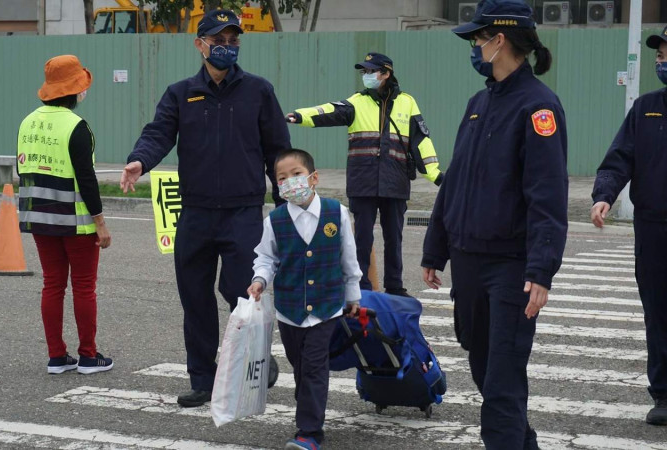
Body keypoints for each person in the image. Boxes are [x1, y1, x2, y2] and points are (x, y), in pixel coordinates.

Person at [120, 9, 290, 407]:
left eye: (234, 40)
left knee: (242, 293)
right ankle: (202, 378)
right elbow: (158, 132)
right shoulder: (181, 93)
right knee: (194, 297)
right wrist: (140, 161)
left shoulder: (258, 91)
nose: (227, 47)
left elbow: (277, 151)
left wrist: (287, 206)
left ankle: (256, 362)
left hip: (243, 213)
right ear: (200, 45)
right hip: (195, 213)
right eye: (219, 40)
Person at [420, 1, 568, 448]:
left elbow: (547, 194)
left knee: (502, 379)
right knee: (485, 369)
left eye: (477, 39)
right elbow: (456, 180)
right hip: (468, 261)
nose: (474, 47)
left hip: (509, 266)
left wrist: (540, 270)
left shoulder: (539, 106)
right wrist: (434, 249)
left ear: (498, 40)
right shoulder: (479, 102)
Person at [285, 53, 442, 297]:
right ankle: (360, 287)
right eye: (364, 72)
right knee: (361, 241)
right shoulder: (356, 102)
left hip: (395, 183)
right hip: (363, 182)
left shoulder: (407, 103)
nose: (366, 76)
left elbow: (421, 141)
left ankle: (395, 287)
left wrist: (436, 175)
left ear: (386, 73)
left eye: (371, 71)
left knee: (394, 240)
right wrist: (299, 115)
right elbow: (328, 110)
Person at [248, 148, 361, 450]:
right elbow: (266, 258)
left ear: (313, 177)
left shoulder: (336, 212)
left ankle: (310, 432)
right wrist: (260, 280)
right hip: (289, 310)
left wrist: (353, 296)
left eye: (295, 174)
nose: (289, 182)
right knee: (299, 366)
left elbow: (348, 257)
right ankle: (309, 408)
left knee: (314, 366)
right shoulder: (275, 220)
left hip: (326, 308)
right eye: (281, 178)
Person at [17, 54, 113, 375]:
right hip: (76, 222)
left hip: (40, 219)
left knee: (52, 285)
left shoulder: (27, 122)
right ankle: (88, 355)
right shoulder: (77, 127)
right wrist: (100, 223)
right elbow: (87, 180)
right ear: (75, 90)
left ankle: (57, 357)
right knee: (84, 286)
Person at [590, 25, 667, 426]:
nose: (662, 61)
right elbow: (619, 157)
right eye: (659, 56)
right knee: (658, 312)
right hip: (653, 228)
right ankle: (664, 394)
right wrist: (604, 194)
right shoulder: (646, 107)